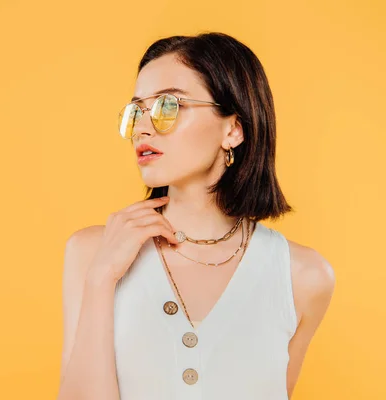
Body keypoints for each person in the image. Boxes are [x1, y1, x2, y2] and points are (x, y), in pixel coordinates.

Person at [56, 32, 335, 400]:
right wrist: (101, 279)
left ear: (233, 129)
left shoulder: (303, 276)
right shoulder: (91, 252)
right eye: (137, 110)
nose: (142, 127)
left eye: (168, 106)